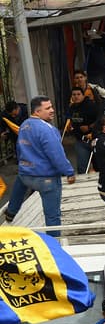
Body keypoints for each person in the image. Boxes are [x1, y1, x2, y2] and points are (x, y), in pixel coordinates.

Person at [3, 95, 77, 226]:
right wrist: (69, 172)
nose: (52, 110)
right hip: (46, 178)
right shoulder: (48, 130)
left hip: (26, 174)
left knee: (20, 185)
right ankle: (54, 242)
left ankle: (11, 212)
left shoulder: (24, 125)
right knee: (53, 216)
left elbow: (19, 149)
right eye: (48, 108)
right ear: (37, 111)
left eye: (51, 106)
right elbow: (56, 155)